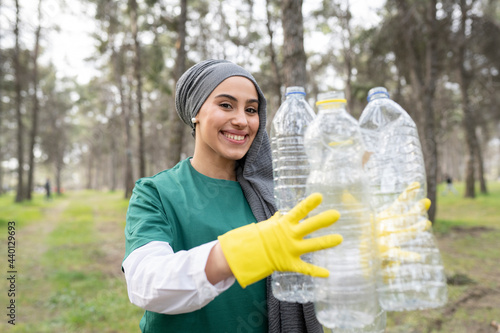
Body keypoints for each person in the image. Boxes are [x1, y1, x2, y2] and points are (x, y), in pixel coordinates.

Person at [122, 59, 343, 333]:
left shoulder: (278, 195)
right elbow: (145, 283)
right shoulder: (156, 192)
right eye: (226, 105)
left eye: (251, 109)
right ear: (196, 112)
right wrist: (237, 253)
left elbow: (312, 273)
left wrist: (362, 246)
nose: (241, 120)